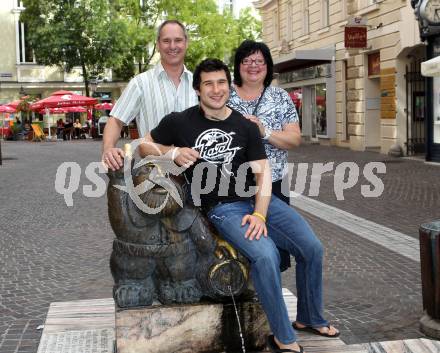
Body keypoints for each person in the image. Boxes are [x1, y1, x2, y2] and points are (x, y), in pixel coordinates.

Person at [140, 59, 338, 353]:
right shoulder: (179, 122)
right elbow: (144, 145)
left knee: (312, 248)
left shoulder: (244, 125)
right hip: (222, 207)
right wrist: (173, 151)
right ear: (198, 89)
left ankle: (310, 317)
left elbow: (263, 173)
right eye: (208, 83)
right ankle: (283, 337)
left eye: (221, 82)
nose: (216, 89)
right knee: (266, 255)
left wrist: (260, 213)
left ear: (228, 85)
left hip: (257, 201)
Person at [227, 40, 302, 272]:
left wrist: (265, 132)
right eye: (247, 60)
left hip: (274, 186)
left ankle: (267, 302)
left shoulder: (280, 97)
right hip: (231, 187)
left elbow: (294, 139)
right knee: (235, 255)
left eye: (259, 61)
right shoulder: (223, 95)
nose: (253, 66)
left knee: (274, 256)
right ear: (238, 65)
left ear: (268, 66)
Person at [102, 19, 198, 171]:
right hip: (154, 177)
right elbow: (116, 120)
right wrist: (108, 148)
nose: (172, 46)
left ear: (186, 43)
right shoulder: (140, 83)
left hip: (197, 175)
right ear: (158, 45)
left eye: (178, 40)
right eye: (166, 41)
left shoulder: (199, 84)